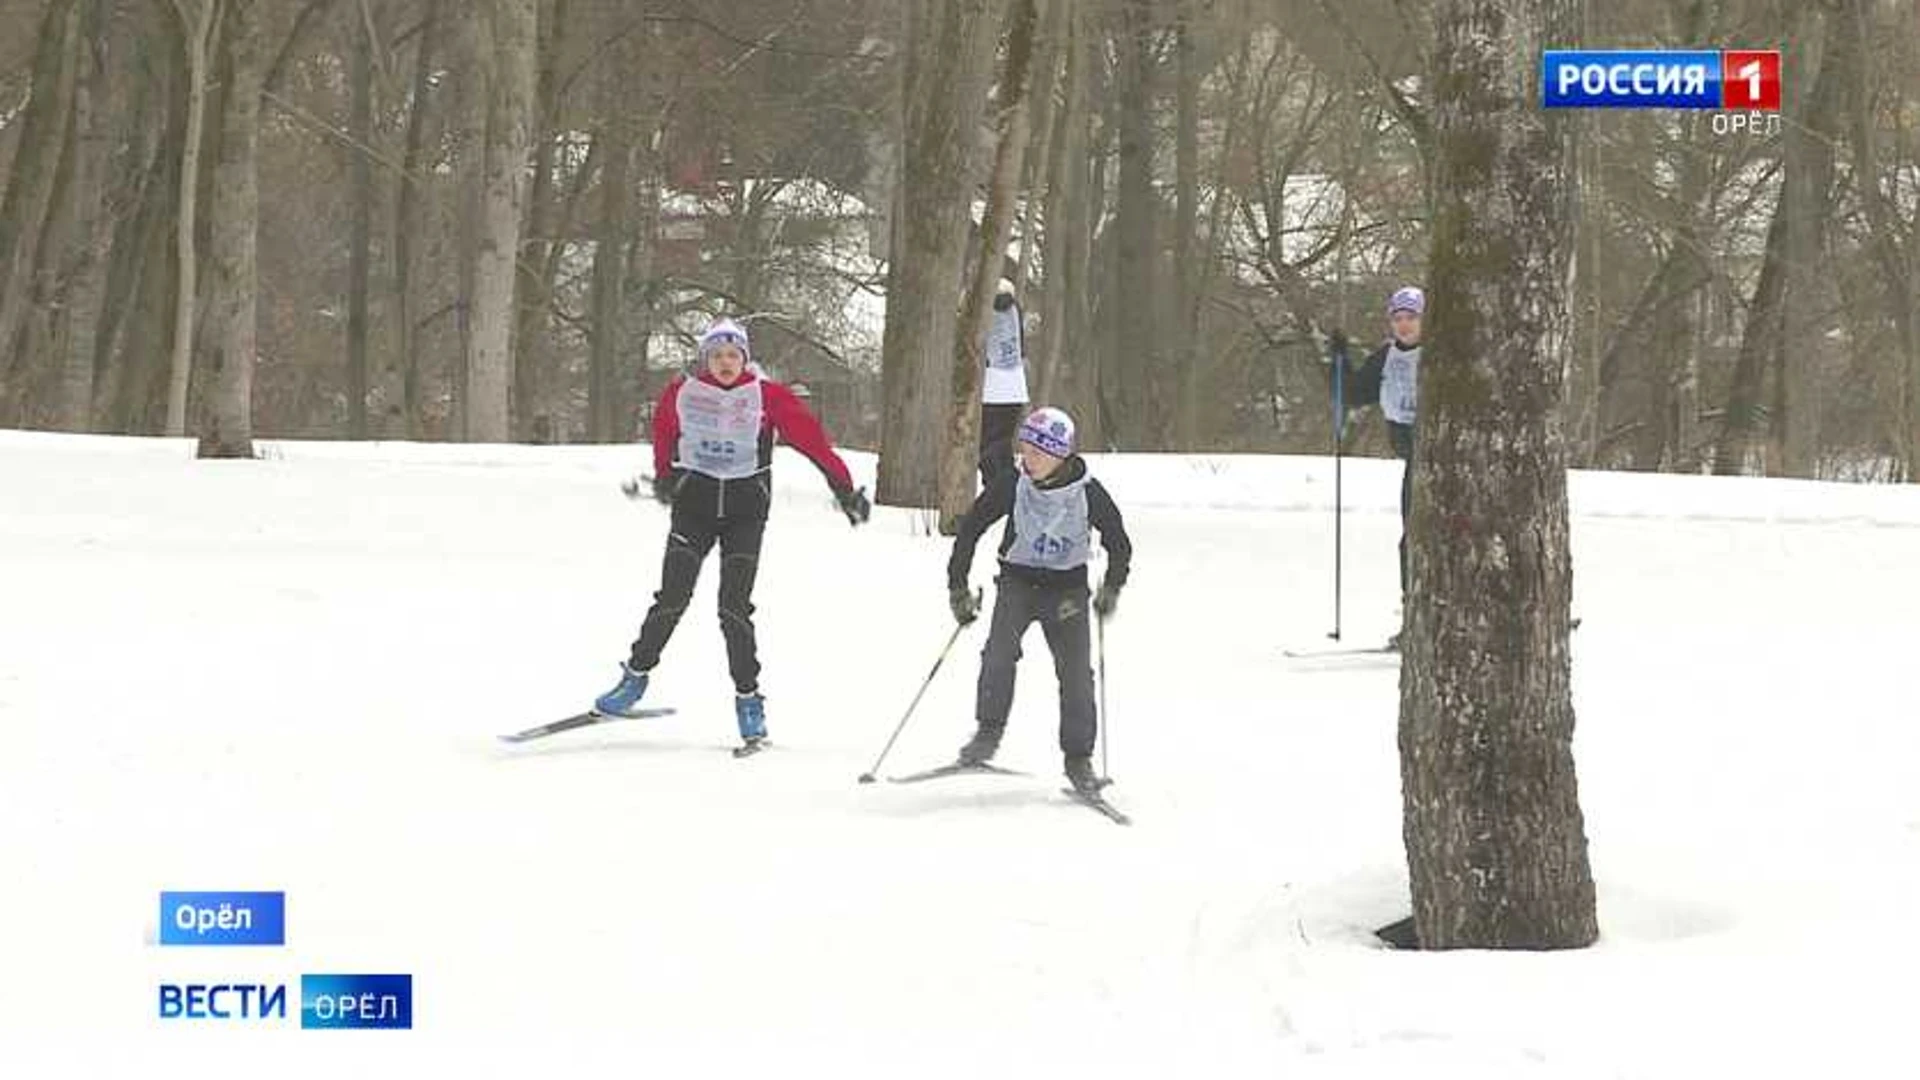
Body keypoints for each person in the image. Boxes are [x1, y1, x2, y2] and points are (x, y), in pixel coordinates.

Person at [598, 317, 871, 755]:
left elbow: (812, 442)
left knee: (733, 609)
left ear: (745, 358)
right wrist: (666, 476)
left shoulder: (766, 397)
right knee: (672, 597)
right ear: (706, 359)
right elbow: (665, 432)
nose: (726, 363)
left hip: (745, 512)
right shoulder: (683, 391)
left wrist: (843, 488)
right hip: (694, 509)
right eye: (717, 356)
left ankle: (749, 701)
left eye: (733, 355)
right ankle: (634, 677)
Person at [946, 406, 1132, 794]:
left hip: (1067, 591)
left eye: (1037, 453)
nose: (1026, 459)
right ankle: (988, 733)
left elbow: (1119, 543)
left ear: (1059, 456)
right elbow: (972, 528)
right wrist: (958, 587)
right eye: (1024, 449)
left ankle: (1078, 759)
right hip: (1017, 582)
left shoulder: (1087, 492)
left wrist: (1112, 587)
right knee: (998, 654)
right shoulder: (1013, 483)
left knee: (1076, 674)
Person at [1330, 285, 1423, 646]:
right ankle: (1415, 617)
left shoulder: (1442, 356)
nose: (1404, 325)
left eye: (1411, 317)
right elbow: (1353, 394)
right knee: (1411, 542)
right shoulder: (1386, 358)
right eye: (1398, 318)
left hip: (1443, 458)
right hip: (1413, 457)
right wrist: (1339, 357)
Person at [979, 278, 1031, 489]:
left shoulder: (982, 309)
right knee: (1002, 444)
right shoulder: (1014, 311)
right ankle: (1006, 485)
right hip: (1015, 387)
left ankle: (997, 490)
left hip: (992, 388)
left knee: (987, 445)